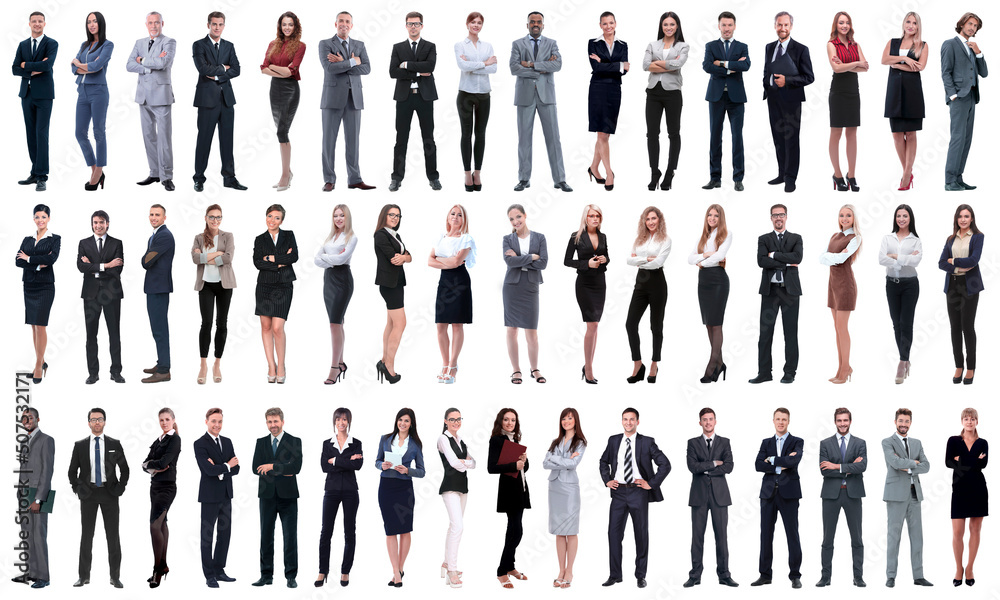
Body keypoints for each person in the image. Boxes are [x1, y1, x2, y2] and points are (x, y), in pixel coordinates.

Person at [600, 407, 670, 588]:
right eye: (625, 419)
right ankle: (615, 575)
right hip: (618, 492)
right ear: (621, 421)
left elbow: (665, 464)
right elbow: (603, 461)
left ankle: (640, 575)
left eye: (632, 419)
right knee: (613, 535)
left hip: (638, 492)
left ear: (637, 422)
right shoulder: (614, 440)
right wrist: (607, 480)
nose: (628, 422)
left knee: (641, 534)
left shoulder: (647, 442)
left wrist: (651, 483)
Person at [68, 407, 129, 589]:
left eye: (100, 419)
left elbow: (125, 469)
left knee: (113, 536)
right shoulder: (80, 445)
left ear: (104, 422)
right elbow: (72, 472)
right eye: (93, 419)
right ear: (88, 423)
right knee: (86, 536)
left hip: (110, 494)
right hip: (88, 495)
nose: (96, 422)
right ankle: (83, 576)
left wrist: (120, 488)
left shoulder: (114, 444)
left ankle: (115, 577)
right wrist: (78, 489)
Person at [510, 12, 572, 192]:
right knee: (524, 139)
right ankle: (523, 179)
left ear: (543, 25)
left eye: (538, 22)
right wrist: (542, 67)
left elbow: (557, 65)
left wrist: (529, 64)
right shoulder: (517, 44)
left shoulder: (551, 43)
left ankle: (560, 179)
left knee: (554, 138)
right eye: (532, 22)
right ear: (527, 24)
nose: (535, 24)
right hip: (524, 96)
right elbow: (514, 68)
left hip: (547, 96)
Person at [319, 11, 375, 191]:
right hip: (332, 99)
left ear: (351, 25)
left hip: (354, 99)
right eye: (341, 21)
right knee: (329, 141)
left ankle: (355, 179)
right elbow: (329, 68)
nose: (344, 24)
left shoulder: (359, 44)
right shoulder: (325, 44)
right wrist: (352, 61)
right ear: (335, 24)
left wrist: (344, 62)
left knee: (353, 142)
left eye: (347, 22)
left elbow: (367, 68)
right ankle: (329, 179)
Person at [193, 11, 245, 192]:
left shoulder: (229, 46)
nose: (217, 27)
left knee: (227, 141)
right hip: (207, 100)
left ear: (224, 25)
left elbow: (237, 69)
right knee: (204, 140)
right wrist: (224, 68)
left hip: (227, 100)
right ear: (208, 25)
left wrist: (215, 75)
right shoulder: (198, 45)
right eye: (214, 24)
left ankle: (229, 178)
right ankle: (199, 178)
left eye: (220, 24)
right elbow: (202, 68)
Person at [762, 11, 814, 193]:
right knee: (777, 138)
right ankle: (782, 173)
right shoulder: (769, 47)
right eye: (779, 25)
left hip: (792, 100)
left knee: (790, 139)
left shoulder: (801, 49)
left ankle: (791, 178)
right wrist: (767, 85)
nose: (782, 28)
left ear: (791, 26)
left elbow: (809, 77)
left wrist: (788, 81)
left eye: (785, 25)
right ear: (775, 26)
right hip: (773, 99)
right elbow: (766, 71)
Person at [685, 408, 737, 587]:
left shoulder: (725, 442)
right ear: (700, 422)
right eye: (704, 420)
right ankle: (695, 575)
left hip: (720, 496)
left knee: (721, 537)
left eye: (711, 419)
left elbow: (729, 466)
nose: (708, 422)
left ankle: (724, 575)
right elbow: (692, 467)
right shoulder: (692, 443)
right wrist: (714, 464)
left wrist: (704, 468)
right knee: (697, 537)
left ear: (715, 421)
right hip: (699, 495)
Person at [750, 204, 802, 385]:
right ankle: (764, 372)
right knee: (765, 334)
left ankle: (790, 372)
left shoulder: (796, 238)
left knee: (790, 334)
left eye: (781, 215)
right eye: (775, 215)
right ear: (771, 218)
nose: (778, 218)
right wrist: (785, 262)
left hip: (790, 292)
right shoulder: (763, 239)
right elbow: (761, 261)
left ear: (786, 216)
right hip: (770, 291)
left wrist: (773, 255)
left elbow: (797, 258)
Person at [251, 407, 302, 588]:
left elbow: (295, 468)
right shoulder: (261, 442)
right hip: (266, 496)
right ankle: (266, 575)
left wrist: (271, 467)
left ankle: (291, 576)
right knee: (266, 536)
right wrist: (283, 468)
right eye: (270, 422)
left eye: (276, 421)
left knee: (290, 537)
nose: (273, 425)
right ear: (266, 423)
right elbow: (256, 468)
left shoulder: (294, 441)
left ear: (282, 421)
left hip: (288, 497)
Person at [752, 407, 803, 588]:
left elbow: (794, 461)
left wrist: (772, 460)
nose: (781, 422)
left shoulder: (797, 441)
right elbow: (758, 465)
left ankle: (795, 575)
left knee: (792, 534)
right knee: (765, 534)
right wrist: (782, 462)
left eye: (784, 419)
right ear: (773, 421)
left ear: (788, 421)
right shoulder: (766, 442)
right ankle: (765, 574)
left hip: (789, 494)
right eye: (778, 419)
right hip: (768, 494)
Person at [389, 11, 440, 192]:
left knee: (429, 138)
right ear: (406, 26)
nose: (413, 27)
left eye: (416, 24)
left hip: (425, 97)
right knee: (401, 139)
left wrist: (407, 65)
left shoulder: (430, 46)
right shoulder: (398, 47)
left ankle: (433, 177)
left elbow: (431, 66)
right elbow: (393, 72)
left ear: (422, 26)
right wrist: (419, 72)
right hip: (404, 97)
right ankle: (396, 178)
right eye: (410, 24)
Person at [882, 408, 933, 587]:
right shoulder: (887, 442)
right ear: (895, 422)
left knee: (917, 537)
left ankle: (918, 576)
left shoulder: (917, 443)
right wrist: (914, 463)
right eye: (901, 421)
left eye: (907, 421)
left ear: (910, 423)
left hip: (914, 495)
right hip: (896, 495)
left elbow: (926, 466)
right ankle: (890, 576)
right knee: (893, 537)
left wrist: (908, 466)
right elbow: (894, 462)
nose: (903, 424)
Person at [817, 407, 867, 587]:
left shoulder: (860, 443)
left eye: (845, 420)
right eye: (839, 420)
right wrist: (848, 467)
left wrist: (836, 466)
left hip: (853, 495)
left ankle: (858, 577)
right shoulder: (825, 443)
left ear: (850, 421)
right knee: (827, 538)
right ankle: (825, 577)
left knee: (857, 538)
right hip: (831, 495)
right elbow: (824, 470)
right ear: (835, 422)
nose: (843, 424)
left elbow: (862, 467)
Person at [376, 408, 425, 588]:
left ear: (411, 424)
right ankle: (395, 571)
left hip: (404, 489)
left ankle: (400, 568)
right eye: (400, 420)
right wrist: (383, 465)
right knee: (390, 530)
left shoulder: (415, 445)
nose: (402, 423)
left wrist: (407, 470)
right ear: (396, 421)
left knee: (404, 529)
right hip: (386, 488)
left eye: (406, 421)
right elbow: (376, 461)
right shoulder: (385, 439)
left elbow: (422, 471)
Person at [127, 11, 175, 191]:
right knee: (148, 137)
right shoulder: (139, 42)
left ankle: (167, 176)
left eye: (157, 23)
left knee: (164, 138)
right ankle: (155, 173)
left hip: (161, 96)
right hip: (143, 96)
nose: (153, 26)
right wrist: (148, 66)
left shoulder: (169, 42)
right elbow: (129, 64)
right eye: (150, 23)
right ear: (146, 24)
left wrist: (142, 60)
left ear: (163, 23)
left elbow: (164, 63)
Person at [317, 408, 364, 588]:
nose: (341, 423)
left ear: (349, 421)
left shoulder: (356, 443)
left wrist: (335, 461)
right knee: (325, 532)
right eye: (338, 419)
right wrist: (346, 461)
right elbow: (323, 466)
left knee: (349, 532)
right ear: (334, 422)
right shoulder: (327, 443)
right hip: (331, 490)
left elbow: (358, 464)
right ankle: (323, 570)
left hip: (351, 491)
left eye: (344, 419)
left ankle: (345, 572)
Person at [429, 205, 476, 383]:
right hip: (444, 281)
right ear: (448, 217)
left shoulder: (466, 238)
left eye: (459, 215)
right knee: (440, 324)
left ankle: (453, 365)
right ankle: (444, 363)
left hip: (459, 282)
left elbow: (457, 262)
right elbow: (429, 261)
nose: (455, 217)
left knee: (457, 324)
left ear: (463, 220)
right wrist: (448, 261)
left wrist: (441, 260)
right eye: (453, 213)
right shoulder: (441, 237)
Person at [703, 11, 748, 192]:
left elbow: (746, 65)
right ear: (719, 26)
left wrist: (721, 64)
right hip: (716, 97)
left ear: (734, 26)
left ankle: (738, 178)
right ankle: (715, 178)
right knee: (715, 137)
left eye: (730, 25)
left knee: (737, 138)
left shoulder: (742, 46)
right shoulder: (710, 45)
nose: (727, 28)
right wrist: (732, 66)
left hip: (736, 98)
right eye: (724, 25)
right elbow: (707, 66)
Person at [194, 408, 240, 588]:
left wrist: (221, 468)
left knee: (224, 535)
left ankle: (220, 570)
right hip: (209, 496)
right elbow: (207, 470)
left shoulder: (227, 442)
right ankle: (209, 575)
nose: (217, 425)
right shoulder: (200, 444)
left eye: (220, 421)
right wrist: (226, 466)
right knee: (207, 536)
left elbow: (237, 468)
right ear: (206, 421)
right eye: (213, 421)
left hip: (226, 495)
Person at [939, 204, 984, 385]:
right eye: (960, 216)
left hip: (969, 286)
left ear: (972, 218)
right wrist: (958, 266)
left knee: (967, 326)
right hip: (953, 286)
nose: (963, 219)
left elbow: (974, 260)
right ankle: (959, 365)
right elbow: (941, 263)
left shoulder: (978, 237)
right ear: (956, 219)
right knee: (955, 327)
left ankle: (971, 367)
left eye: (967, 216)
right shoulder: (951, 239)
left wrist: (954, 260)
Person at [942, 13, 988, 191]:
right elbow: (946, 72)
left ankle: (958, 178)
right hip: (959, 98)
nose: (972, 28)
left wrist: (978, 53)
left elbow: (984, 73)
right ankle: (949, 180)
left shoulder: (972, 47)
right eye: (970, 23)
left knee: (966, 139)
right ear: (962, 24)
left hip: (972, 98)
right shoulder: (950, 44)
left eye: (975, 26)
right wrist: (952, 95)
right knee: (957, 138)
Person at [253, 204, 298, 384]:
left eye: (277, 218)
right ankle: (271, 366)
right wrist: (280, 261)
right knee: (265, 326)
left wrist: (271, 258)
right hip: (264, 286)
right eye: (270, 216)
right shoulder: (259, 239)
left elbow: (294, 257)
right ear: (266, 217)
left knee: (278, 328)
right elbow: (257, 262)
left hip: (284, 285)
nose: (272, 220)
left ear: (282, 220)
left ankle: (281, 365)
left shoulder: (289, 235)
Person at [77, 210, 124, 384]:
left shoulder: (117, 243)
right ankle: (93, 373)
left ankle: (116, 371)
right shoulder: (84, 243)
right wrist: (106, 265)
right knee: (91, 335)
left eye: (102, 222)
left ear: (108, 223)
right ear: (92, 224)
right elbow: (81, 267)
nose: (98, 225)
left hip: (112, 293)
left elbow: (117, 269)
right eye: (95, 222)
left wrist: (94, 266)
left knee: (114, 333)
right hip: (90, 294)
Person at [882, 12, 927, 191]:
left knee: (911, 133)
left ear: (918, 27)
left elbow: (920, 67)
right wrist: (906, 59)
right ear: (903, 24)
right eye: (908, 21)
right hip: (894, 92)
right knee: (897, 135)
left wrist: (898, 64)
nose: (910, 25)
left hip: (913, 92)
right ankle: (907, 170)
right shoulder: (892, 42)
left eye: (914, 23)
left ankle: (907, 175)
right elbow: (884, 60)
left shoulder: (922, 45)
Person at [260, 12, 305, 192]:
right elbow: (263, 68)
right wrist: (277, 69)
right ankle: (288, 171)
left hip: (290, 91)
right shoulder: (273, 44)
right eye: (284, 24)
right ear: (280, 26)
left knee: (282, 131)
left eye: (290, 25)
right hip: (275, 91)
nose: (287, 27)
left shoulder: (300, 46)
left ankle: (285, 175)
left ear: (295, 27)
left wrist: (273, 67)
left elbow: (290, 72)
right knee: (280, 131)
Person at [625, 207, 670, 384]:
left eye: (653, 218)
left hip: (658, 283)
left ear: (659, 220)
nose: (650, 222)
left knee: (656, 326)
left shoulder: (666, 240)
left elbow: (658, 263)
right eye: (647, 219)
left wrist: (642, 260)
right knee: (630, 324)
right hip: (640, 284)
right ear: (644, 221)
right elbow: (629, 260)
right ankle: (638, 363)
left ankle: (654, 364)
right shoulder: (640, 239)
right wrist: (648, 259)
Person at [503, 204, 547, 384]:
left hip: (530, 287)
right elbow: (508, 261)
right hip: (512, 287)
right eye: (512, 219)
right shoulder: (507, 239)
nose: (516, 221)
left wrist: (520, 259)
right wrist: (532, 257)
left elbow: (543, 263)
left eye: (518, 217)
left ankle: (534, 368)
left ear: (525, 215)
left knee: (532, 331)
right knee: (512, 330)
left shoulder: (539, 237)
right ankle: (516, 370)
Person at [543, 408, 586, 588]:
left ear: (575, 420)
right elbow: (545, 463)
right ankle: (560, 569)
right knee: (559, 531)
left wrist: (556, 459)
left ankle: (569, 570)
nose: (566, 421)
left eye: (570, 418)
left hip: (569, 489)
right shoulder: (555, 442)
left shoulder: (580, 442)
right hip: (554, 486)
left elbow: (573, 464)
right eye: (563, 418)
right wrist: (565, 459)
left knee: (571, 530)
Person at [878, 205, 922, 384]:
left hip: (910, 285)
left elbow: (917, 261)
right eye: (899, 216)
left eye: (905, 216)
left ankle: (903, 361)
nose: (901, 219)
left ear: (910, 218)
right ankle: (905, 358)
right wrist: (904, 259)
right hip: (892, 285)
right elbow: (881, 259)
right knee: (896, 324)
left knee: (906, 323)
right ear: (895, 218)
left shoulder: (915, 240)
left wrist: (894, 256)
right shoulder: (887, 238)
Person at [565, 204, 608, 384]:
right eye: (591, 216)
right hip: (584, 284)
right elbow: (567, 261)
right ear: (585, 218)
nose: (595, 219)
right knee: (592, 325)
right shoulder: (576, 236)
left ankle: (588, 364)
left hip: (600, 283)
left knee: (595, 325)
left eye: (597, 215)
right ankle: (588, 368)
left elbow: (606, 257)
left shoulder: (603, 236)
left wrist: (605, 260)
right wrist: (585, 264)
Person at [14, 11, 57, 192]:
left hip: (44, 95)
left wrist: (26, 65)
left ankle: (42, 176)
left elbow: (47, 66)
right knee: (31, 134)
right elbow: (15, 69)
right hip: (27, 94)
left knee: (41, 134)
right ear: (29, 23)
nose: (37, 24)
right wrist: (31, 68)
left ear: (44, 24)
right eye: (34, 21)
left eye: (40, 21)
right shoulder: (23, 45)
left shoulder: (51, 43)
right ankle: (34, 172)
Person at [644, 12, 687, 191]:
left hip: (673, 94)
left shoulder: (683, 46)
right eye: (665, 24)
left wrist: (658, 62)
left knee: (673, 133)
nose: (668, 28)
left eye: (672, 24)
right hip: (653, 92)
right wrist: (668, 63)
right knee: (652, 134)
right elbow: (645, 65)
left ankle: (670, 172)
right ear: (661, 26)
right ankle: (655, 172)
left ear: (677, 26)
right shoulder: (652, 44)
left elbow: (678, 65)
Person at [488, 409, 531, 588]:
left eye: (513, 420)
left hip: (520, 489)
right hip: (509, 491)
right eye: (506, 420)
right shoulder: (497, 440)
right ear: (500, 421)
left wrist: (524, 461)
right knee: (516, 531)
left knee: (514, 530)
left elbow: (523, 468)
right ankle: (501, 571)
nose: (509, 423)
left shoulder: (515, 439)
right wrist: (515, 464)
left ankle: (510, 566)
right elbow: (491, 467)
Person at [688, 204, 731, 383]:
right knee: (708, 324)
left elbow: (719, 256)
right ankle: (720, 364)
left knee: (717, 324)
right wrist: (705, 255)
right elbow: (690, 259)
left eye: (716, 216)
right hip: (703, 281)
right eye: (710, 215)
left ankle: (711, 366)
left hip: (718, 280)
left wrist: (703, 260)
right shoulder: (703, 236)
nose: (712, 218)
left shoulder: (726, 235)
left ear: (721, 219)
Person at [191, 204, 234, 385]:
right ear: (206, 218)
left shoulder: (228, 236)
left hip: (225, 285)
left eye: (218, 217)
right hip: (205, 285)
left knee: (221, 324)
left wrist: (206, 256)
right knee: (206, 323)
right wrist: (217, 254)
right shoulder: (199, 238)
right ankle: (203, 365)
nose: (215, 220)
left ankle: (217, 363)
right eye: (212, 217)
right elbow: (194, 259)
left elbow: (228, 257)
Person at [17, 204, 59, 384]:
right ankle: (41, 361)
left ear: (48, 218)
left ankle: (38, 364)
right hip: (29, 285)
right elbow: (17, 261)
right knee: (33, 325)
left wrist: (29, 258)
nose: (40, 220)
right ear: (33, 219)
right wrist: (34, 263)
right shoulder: (27, 239)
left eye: (43, 217)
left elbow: (51, 259)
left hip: (45, 286)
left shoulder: (54, 239)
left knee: (40, 325)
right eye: (37, 217)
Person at [13, 408, 55, 589]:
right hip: (23, 494)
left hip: (38, 494)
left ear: (38, 419)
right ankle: (31, 572)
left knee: (39, 535)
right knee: (27, 534)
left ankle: (43, 577)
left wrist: (38, 499)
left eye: (30, 417)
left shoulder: (47, 440)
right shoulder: (24, 441)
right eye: (24, 418)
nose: (27, 420)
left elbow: (47, 471)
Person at [819, 204, 861, 384]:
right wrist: (832, 256)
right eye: (842, 215)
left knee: (842, 328)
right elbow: (821, 258)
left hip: (845, 286)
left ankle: (846, 368)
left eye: (848, 216)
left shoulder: (855, 238)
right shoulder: (834, 236)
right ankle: (840, 367)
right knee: (836, 328)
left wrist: (831, 256)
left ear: (853, 219)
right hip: (833, 285)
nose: (844, 219)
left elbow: (841, 259)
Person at [587, 11, 629, 192]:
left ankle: (593, 168)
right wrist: (618, 65)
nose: (608, 26)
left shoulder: (623, 45)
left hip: (614, 90)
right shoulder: (593, 43)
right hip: (597, 89)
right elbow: (596, 68)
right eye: (605, 24)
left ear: (616, 23)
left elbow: (626, 70)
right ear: (600, 25)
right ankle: (609, 172)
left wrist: (606, 64)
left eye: (611, 23)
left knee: (605, 133)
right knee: (602, 134)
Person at [315, 205, 357, 385]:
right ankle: (340, 363)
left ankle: (334, 367)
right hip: (329, 281)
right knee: (338, 323)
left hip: (342, 281)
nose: (339, 219)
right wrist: (330, 260)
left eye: (342, 215)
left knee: (334, 323)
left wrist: (327, 259)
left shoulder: (352, 238)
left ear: (347, 218)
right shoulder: (330, 237)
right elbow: (316, 260)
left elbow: (341, 260)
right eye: (335, 216)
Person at [947, 407, 988, 587]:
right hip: (960, 489)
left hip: (978, 489)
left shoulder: (983, 442)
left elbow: (983, 464)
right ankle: (958, 568)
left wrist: (961, 461)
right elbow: (948, 462)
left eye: (972, 419)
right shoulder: (954, 440)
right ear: (962, 421)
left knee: (975, 530)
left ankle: (970, 568)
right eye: (966, 418)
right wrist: (973, 461)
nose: (969, 421)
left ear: (976, 422)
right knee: (957, 532)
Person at [72, 12, 113, 191]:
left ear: (100, 23)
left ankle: (99, 171)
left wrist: (80, 64)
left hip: (99, 91)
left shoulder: (107, 44)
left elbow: (97, 66)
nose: (92, 24)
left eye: (95, 21)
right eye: (89, 22)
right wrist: (83, 67)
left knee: (98, 131)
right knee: (80, 133)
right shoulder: (84, 44)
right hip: (82, 91)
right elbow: (72, 68)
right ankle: (94, 167)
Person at [827, 12, 868, 191]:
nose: (844, 25)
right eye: (841, 22)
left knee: (852, 133)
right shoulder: (831, 44)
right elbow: (836, 68)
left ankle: (851, 175)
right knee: (836, 132)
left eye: (847, 23)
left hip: (853, 92)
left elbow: (865, 67)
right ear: (836, 25)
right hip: (838, 92)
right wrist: (855, 63)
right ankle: (837, 174)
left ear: (850, 25)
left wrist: (846, 64)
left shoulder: (855, 44)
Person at [455, 12, 496, 191]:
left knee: (481, 134)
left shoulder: (487, 46)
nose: (476, 25)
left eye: (479, 23)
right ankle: (467, 173)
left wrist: (477, 65)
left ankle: (477, 172)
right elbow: (462, 66)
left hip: (484, 95)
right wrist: (484, 63)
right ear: (467, 24)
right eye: (473, 22)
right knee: (466, 134)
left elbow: (494, 68)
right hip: (465, 94)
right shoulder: (459, 45)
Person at [141, 407, 181, 588]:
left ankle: (157, 568)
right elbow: (144, 463)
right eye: (161, 420)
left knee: (154, 526)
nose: (164, 423)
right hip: (154, 487)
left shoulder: (175, 439)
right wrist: (153, 465)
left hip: (167, 488)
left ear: (173, 420)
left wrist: (153, 465)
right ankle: (163, 566)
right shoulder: (158, 440)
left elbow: (164, 462)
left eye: (167, 419)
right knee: (162, 524)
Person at [438, 408, 476, 588]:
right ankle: (452, 569)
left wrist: (465, 463)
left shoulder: (460, 440)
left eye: (458, 419)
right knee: (458, 527)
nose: (456, 422)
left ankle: (446, 563)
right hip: (450, 488)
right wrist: (464, 463)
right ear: (445, 421)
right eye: (452, 419)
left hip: (463, 488)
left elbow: (474, 463)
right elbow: (453, 463)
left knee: (454, 527)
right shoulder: (443, 439)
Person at [374, 204, 411, 384]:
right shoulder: (380, 234)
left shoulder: (394, 235)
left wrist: (405, 257)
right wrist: (404, 257)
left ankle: (383, 360)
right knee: (401, 323)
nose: (395, 218)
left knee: (391, 323)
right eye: (392, 215)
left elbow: (408, 255)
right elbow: (394, 258)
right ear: (384, 216)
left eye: (398, 215)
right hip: (389, 284)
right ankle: (389, 366)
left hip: (397, 283)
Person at [142, 203, 174, 383]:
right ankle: (162, 362)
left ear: (164, 217)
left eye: (157, 215)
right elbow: (149, 257)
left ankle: (164, 370)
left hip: (159, 288)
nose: (154, 217)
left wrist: (145, 256)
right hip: (155, 287)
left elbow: (146, 261)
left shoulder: (164, 236)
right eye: (151, 214)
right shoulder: (156, 235)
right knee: (157, 329)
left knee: (160, 330)